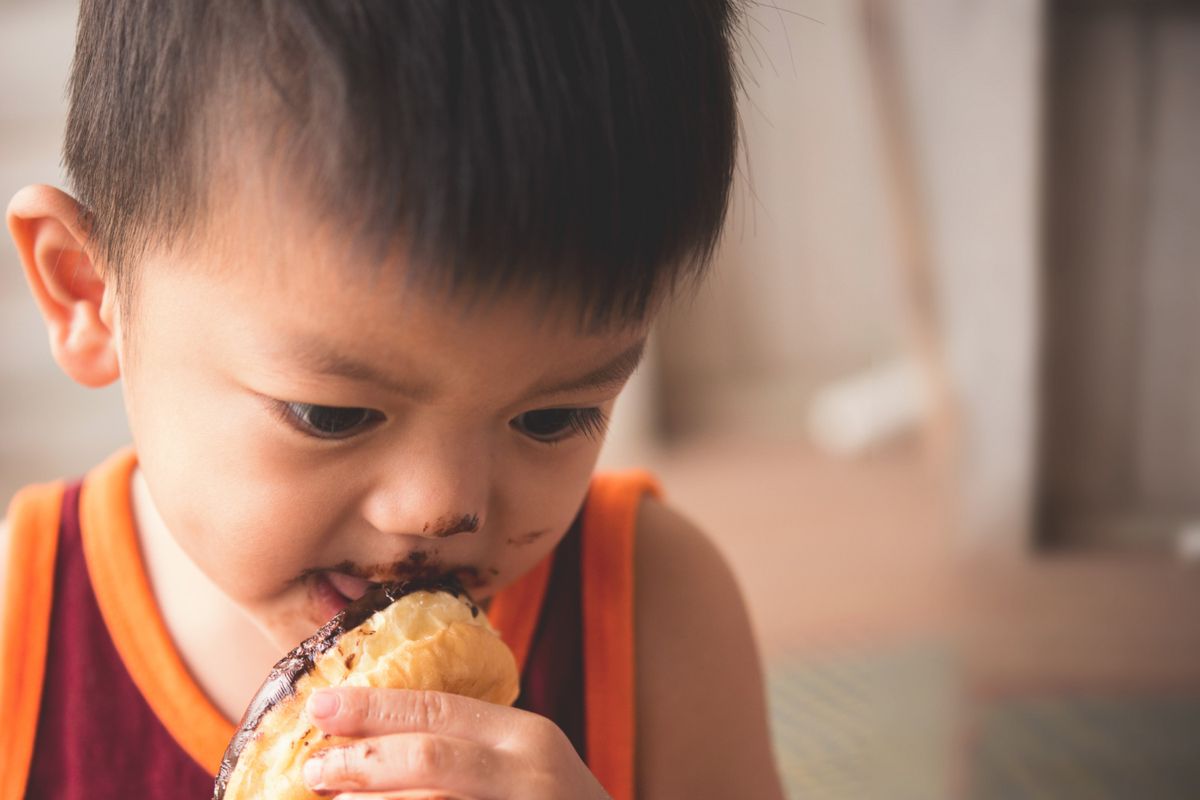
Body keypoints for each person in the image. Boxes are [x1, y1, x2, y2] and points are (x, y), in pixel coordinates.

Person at [1, 2, 786, 798]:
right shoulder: (16, 637)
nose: (440, 511)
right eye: (332, 415)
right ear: (90, 295)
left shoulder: (653, 610)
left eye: (550, 418)